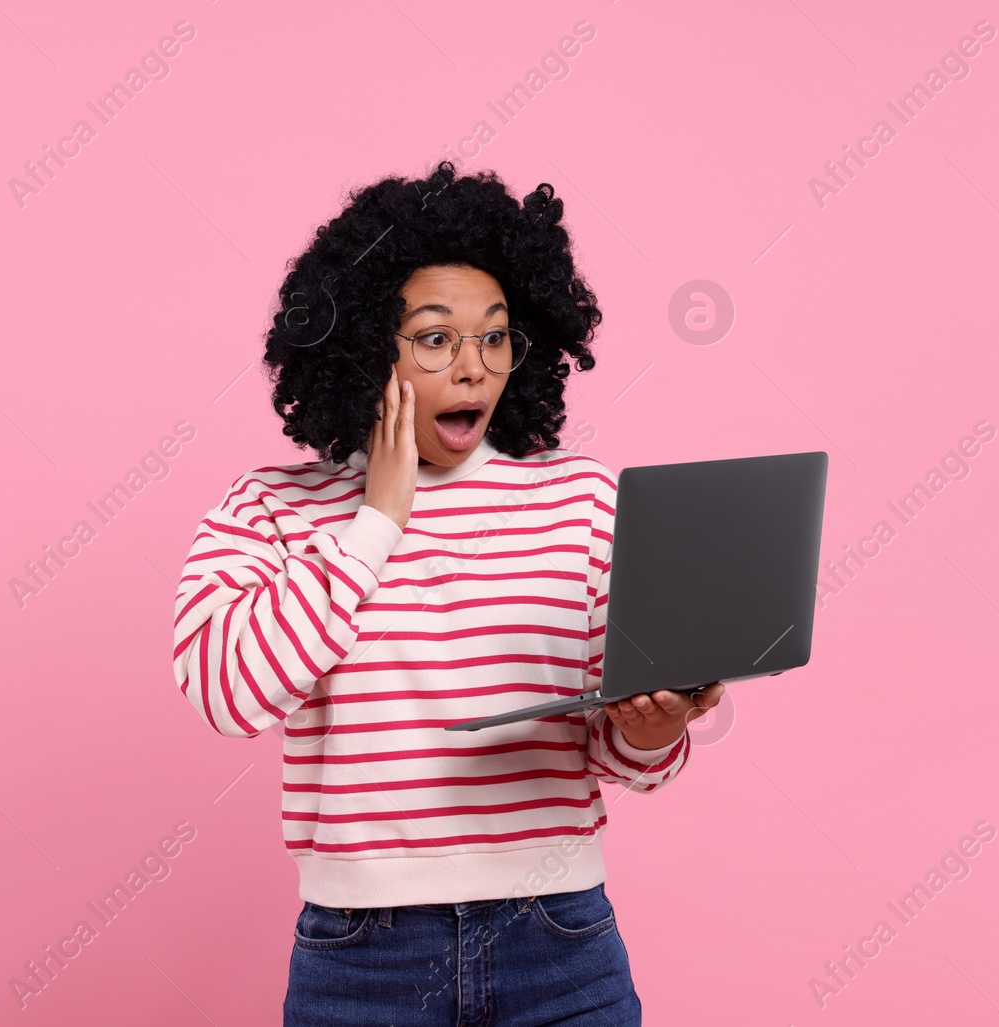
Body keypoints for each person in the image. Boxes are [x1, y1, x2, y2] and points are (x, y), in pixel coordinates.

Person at [170, 160, 725, 1026]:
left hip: (561, 943)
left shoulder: (583, 501)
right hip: (361, 958)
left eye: (495, 338)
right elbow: (225, 690)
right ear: (363, 346)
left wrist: (651, 733)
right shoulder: (274, 507)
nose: (473, 369)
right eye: (434, 339)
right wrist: (376, 522)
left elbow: (615, 752)